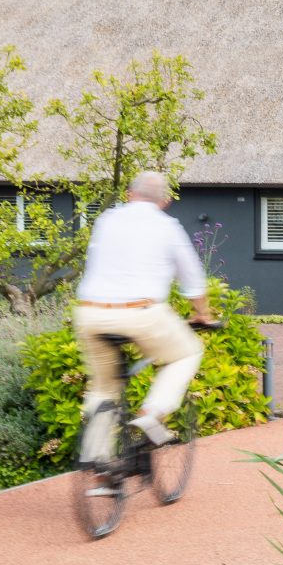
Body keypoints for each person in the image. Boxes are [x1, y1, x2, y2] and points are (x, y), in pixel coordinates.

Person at [72, 170, 217, 463]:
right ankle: (152, 413)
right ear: (164, 201)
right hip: (140, 312)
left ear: (128, 194)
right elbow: (192, 279)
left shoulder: (106, 220)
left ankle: (97, 461)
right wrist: (203, 314)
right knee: (187, 353)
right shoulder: (167, 227)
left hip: (90, 313)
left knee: (104, 386)